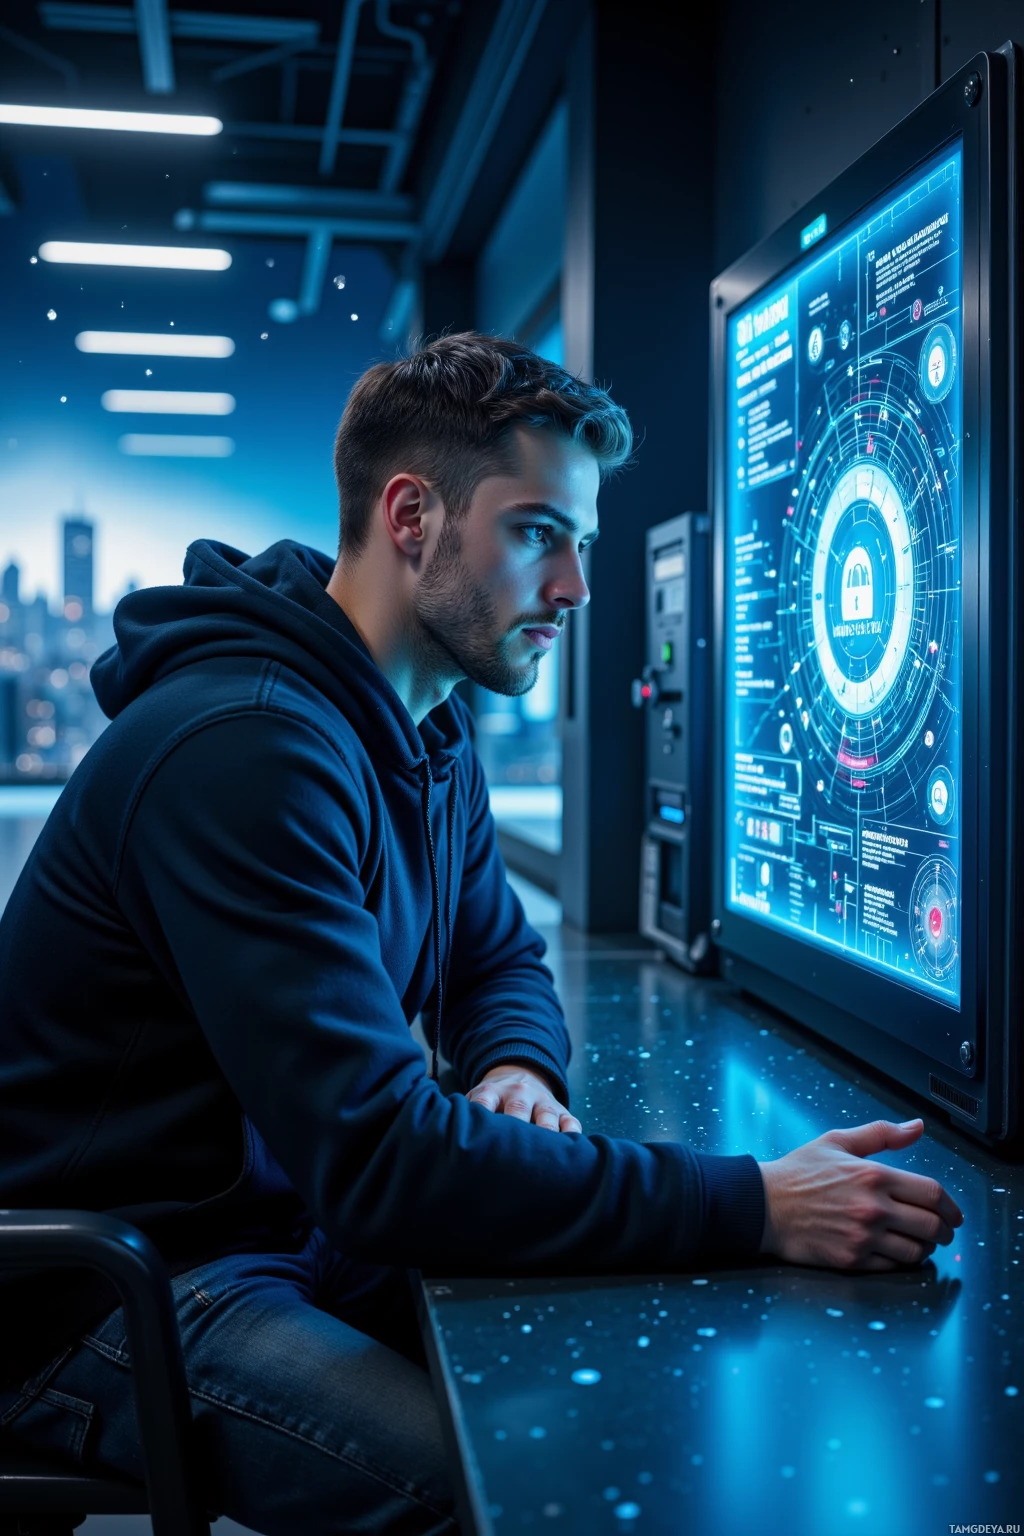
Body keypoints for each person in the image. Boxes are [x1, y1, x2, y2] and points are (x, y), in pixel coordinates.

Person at [0, 334, 964, 1534]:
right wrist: (757, 1201)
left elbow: (495, 953)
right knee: (514, 1503)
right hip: (109, 1286)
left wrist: (514, 1063)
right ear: (412, 517)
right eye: (537, 534)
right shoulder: (243, 751)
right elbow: (388, 1164)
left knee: (611, 1397)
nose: (576, 589)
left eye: (583, 544)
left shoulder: (420, 718)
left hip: (282, 1226)